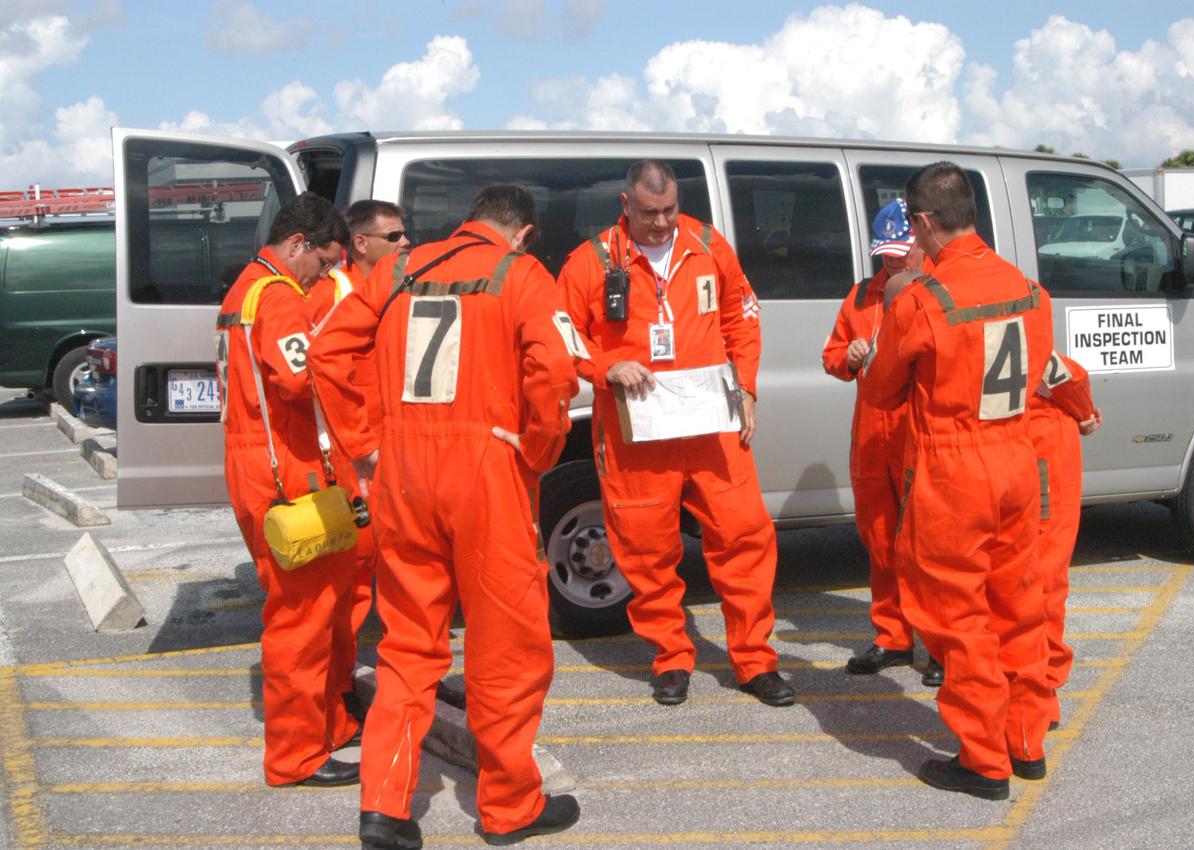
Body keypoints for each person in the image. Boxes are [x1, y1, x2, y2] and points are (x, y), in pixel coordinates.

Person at [308, 185, 583, 849]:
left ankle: (384, 806)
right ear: (522, 233)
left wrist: (366, 445)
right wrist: (541, 451)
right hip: (488, 473)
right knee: (507, 651)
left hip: (404, 476)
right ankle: (510, 807)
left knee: (407, 651)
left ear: (469, 222)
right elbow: (556, 370)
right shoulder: (522, 275)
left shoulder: (399, 269)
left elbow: (326, 353)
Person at [558, 160, 793, 708]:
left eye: (668, 211)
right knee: (646, 549)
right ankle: (670, 657)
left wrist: (749, 389)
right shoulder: (591, 262)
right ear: (625, 205)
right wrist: (604, 368)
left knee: (744, 538)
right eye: (648, 213)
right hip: (637, 431)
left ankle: (755, 661)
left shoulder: (708, 245)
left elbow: (742, 317)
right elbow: (561, 333)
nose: (661, 224)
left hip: (711, 423)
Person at [858, 162, 1056, 801]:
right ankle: (1025, 741)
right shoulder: (1028, 287)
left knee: (957, 616)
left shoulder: (923, 298)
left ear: (920, 222)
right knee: (1021, 606)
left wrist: (892, 311)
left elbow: (883, 389)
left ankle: (981, 759)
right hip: (1017, 457)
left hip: (953, 467)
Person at [214, 191, 361, 787]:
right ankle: (296, 756)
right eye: (322, 263)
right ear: (297, 245)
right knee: (301, 616)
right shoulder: (276, 297)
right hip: (284, 469)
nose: (323, 276)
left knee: (318, 607)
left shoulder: (243, 290)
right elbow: (301, 379)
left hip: (255, 461)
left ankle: (328, 728)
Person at [821, 199, 942, 688]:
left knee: (928, 545)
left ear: (921, 240)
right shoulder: (860, 296)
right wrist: (847, 357)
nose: (893, 261)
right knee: (879, 538)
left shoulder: (939, 290)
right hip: (872, 435)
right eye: (885, 253)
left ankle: (937, 643)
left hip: (919, 432)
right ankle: (893, 636)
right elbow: (830, 356)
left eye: (902, 252)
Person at [309, 200, 411, 722]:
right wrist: (358, 445)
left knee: (390, 578)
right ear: (362, 243)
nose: (405, 244)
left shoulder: (394, 291)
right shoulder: (334, 295)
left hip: (388, 452)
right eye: (393, 237)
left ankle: (391, 683)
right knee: (351, 584)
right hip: (352, 457)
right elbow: (314, 368)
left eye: (405, 235)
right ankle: (337, 693)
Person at [1029, 352, 1101, 728]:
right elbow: (1065, 377)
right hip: (1040, 447)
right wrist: (1084, 411)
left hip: (982, 450)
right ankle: (1040, 696)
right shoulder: (1023, 312)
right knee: (1043, 579)